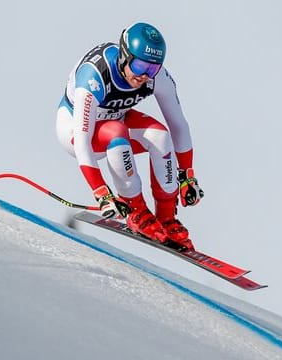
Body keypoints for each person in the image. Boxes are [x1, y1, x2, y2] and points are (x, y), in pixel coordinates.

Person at [56, 22, 203, 250]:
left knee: (160, 136)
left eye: (152, 69)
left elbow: (178, 125)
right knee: (116, 131)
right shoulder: (94, 75)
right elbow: (83, 141)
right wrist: (101, 192)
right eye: (140, 66)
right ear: (125, 56)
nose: (145, 75)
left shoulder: (157, 76)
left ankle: (166, 219)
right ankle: (136, 211)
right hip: (75, 131)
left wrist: (187, 176)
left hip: (117, 118)